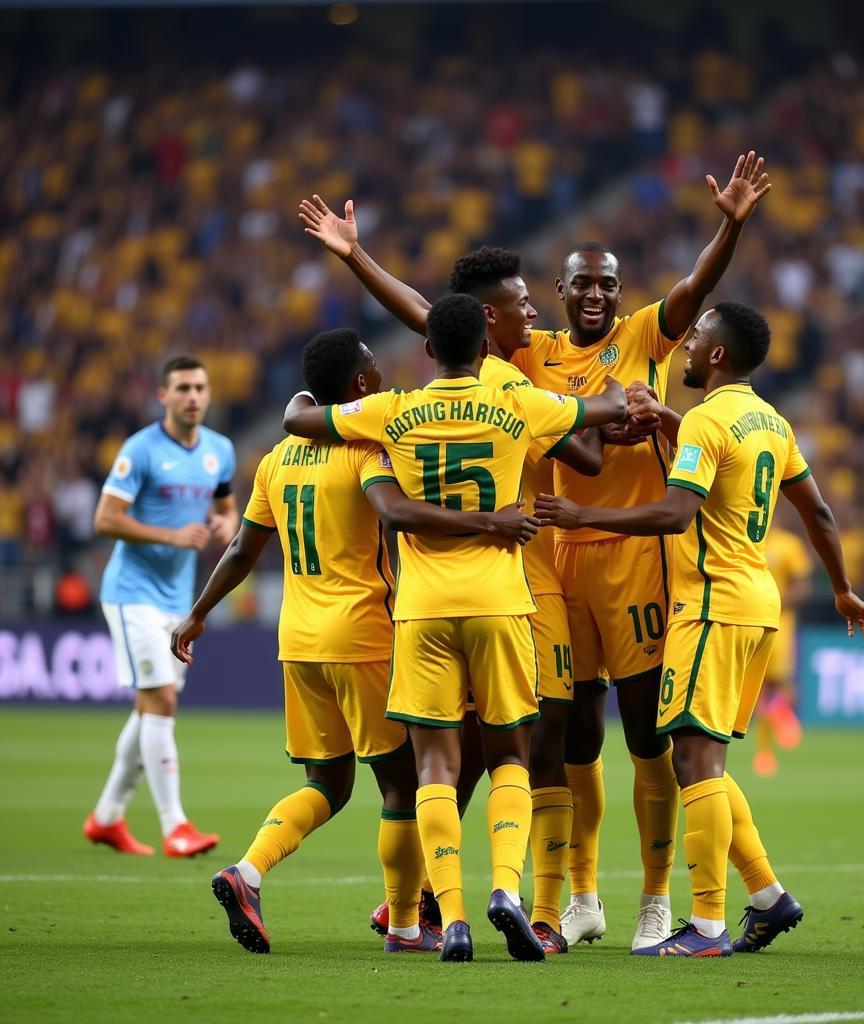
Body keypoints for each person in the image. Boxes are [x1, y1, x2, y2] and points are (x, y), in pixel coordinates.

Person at [297, 149, 770, 949]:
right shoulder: (528, 353)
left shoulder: (644, 337)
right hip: (544, 557)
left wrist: (728, 227)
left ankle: (656, 898)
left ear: (619, 293)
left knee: (646, 736)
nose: (595, 294)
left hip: (631, 562)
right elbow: (435, 317)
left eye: (607, 284)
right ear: (559, 293)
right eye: (581, 282)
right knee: (559, 732)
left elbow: (696, 287)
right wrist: (357, 258)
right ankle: (572, 897)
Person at [170, 328, 538, 955]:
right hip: (362, 634)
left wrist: (199, 612)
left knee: (329, 783)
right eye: (373, 369)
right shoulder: (367, 447)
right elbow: (394, 512)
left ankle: (249, 871)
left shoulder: (277, 458)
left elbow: (241, 549)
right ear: (359, 386)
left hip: (298, 639)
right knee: (402, 785)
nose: (382, 376)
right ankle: (402, 925)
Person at [282, 294, 627, 962]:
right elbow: (602, 414)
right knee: (509, 758)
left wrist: (309, 398)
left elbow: (299, 418)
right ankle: (505, 888)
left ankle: (457, 917)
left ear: (429, 351)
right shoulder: (519, 403)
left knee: (435, 764)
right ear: (484, 347)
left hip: (422, 610)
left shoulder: (394, 410)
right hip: (501, 603)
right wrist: (617, 391)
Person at [535, 302, 864, 957]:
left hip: (713, 604)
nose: (686, 348)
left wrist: (582, 514)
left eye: (695, 340)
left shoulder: (704, 419)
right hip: (758, 605)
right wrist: (840, 587)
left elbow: (673, 512)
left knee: (694, 760)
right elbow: (820, 509)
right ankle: (768, 896)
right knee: (708, 765)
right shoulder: (771, 422)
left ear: (717, 355)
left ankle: (707, 926)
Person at [84, 356, 237, 857]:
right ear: (163, 396)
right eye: (183, 388)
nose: (193, 396)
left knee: (149, 705)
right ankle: (176, 825)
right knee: (162, 701)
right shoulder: (140, 450)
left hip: (178, 599)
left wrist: (222, 523)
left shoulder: (220, 451)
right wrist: (170, 535)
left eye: (200, 387)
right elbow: (105, 518)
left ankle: (107, 817)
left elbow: (225, 506)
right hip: (132, 594)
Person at [754, 522, 812, 776]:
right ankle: (765, 754)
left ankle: (780, 712)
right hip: (751, 623)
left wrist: (775, 602)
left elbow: (802, 586)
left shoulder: (788, 544)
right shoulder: (745, 538)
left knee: (783, 683)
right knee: (758, 690)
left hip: (780, 623)